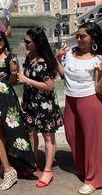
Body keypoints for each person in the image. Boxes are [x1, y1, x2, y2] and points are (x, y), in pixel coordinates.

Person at [57, 21, 102, 195]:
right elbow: (64, 75)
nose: (78, 39)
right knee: (72, 136)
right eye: (77, 36)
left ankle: (93, 179)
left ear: (92, 37)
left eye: (82, 36)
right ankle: (84, 169)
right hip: (71, 99)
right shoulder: (71, 54)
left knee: (91, 141)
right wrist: (58, 59)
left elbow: (100, 89)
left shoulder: (99, 59)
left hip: (90, 100)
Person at [0, 31, 36, 191]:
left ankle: (10, 171)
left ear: (4, 41)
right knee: (0, 133)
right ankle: (5, 166)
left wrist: (13, 71)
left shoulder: (11, 57)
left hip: (4, 98)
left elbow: (13, 82)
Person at [17, 27, 63, 188]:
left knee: (48, 136)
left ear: (37, 43)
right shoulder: (30, 57)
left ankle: (48, 171)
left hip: (44, 104)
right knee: (31, 132)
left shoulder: (44, 60)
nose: (25, 44)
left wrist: (27, 81)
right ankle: (34, 163)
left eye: (28, 42)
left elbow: (50, 86)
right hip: (30, 102)